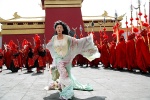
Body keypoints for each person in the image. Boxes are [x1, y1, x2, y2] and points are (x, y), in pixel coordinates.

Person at [45, 20, 100, 99]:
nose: (59, 29)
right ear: (56, 29)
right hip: (58, 59)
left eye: (60, 27)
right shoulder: (54, 38)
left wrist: (87, 40)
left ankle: (62, 85)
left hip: (66, 58)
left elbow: (77, 42)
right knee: (63, 72)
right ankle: (68, 89)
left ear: (63, 29)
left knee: (66, 73)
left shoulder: (67, 38)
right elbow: (49, 45)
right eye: (57, 27)